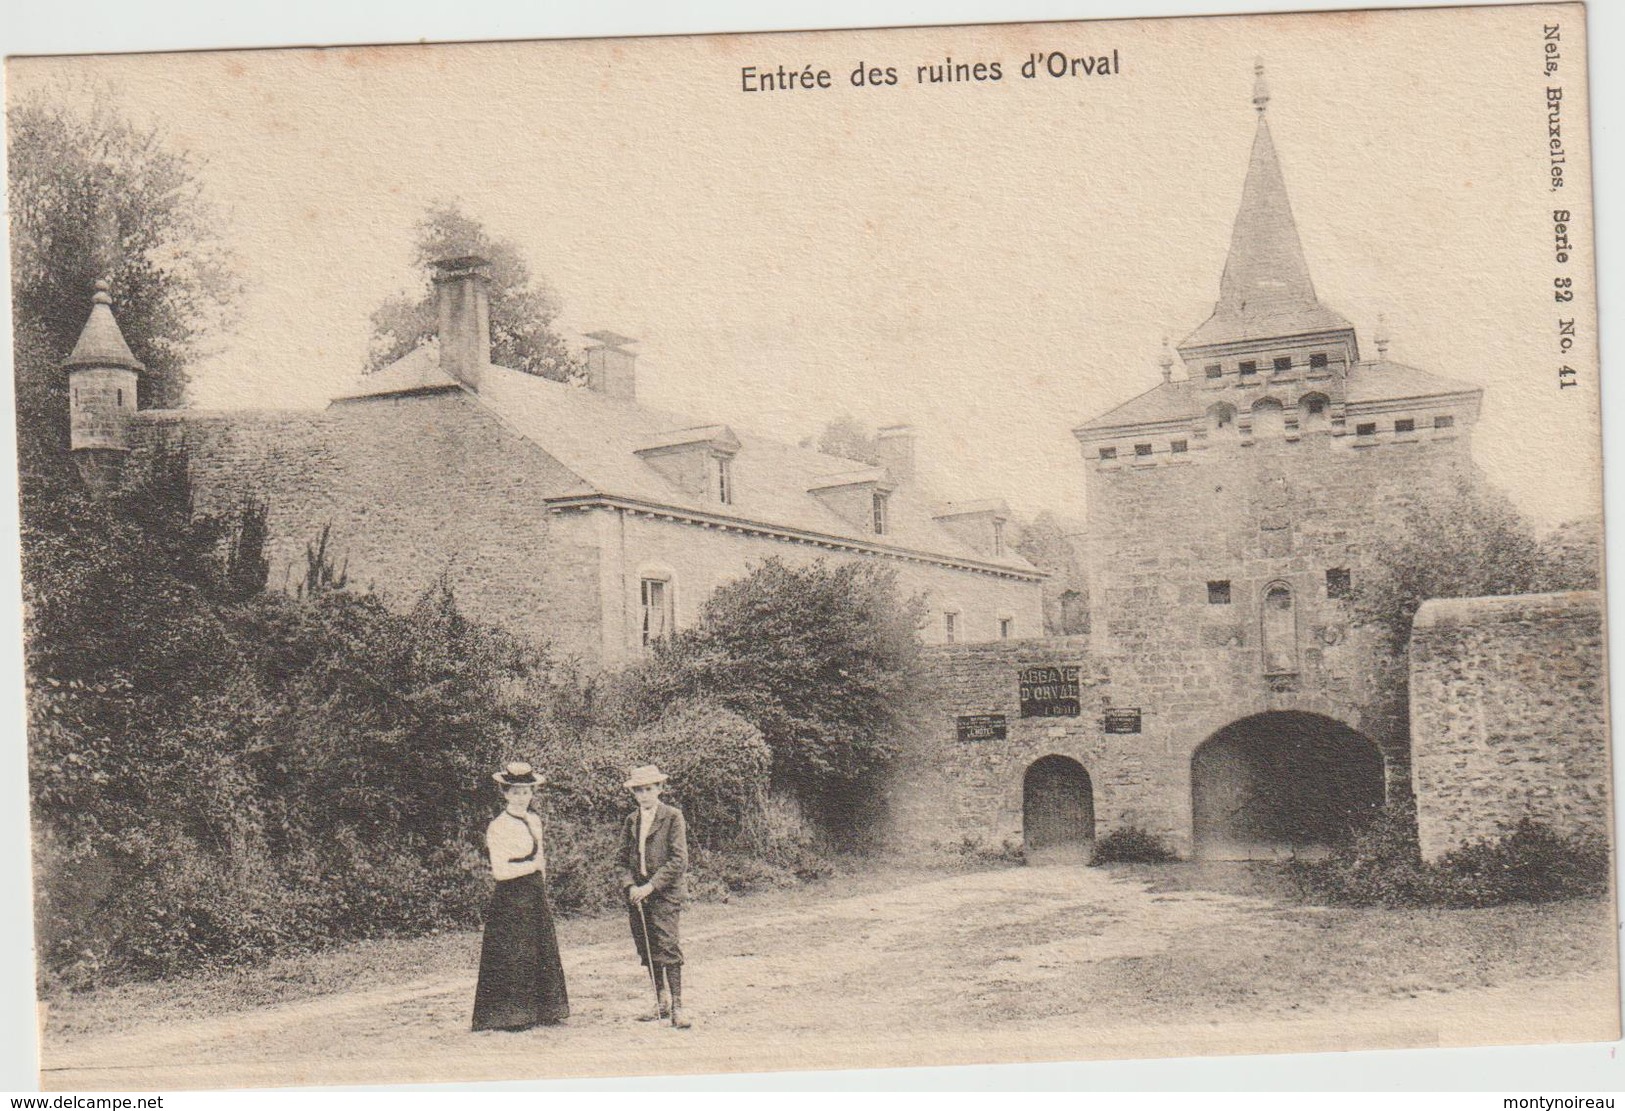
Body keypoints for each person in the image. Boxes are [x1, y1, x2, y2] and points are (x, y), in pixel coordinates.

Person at [472, 762, 570, 1032]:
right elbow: (501, 871)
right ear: (505, 793)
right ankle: (511, 1015)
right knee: (514, 952)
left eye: (526, 791)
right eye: (515, 792)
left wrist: (541, 881)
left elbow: (542, 858)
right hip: (510, 896)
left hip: (534, 894)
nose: (521, 797)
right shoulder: (498, 826)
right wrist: (532, 869)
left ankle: (545, 1009)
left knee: (539, 949)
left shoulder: (535, 820)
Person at [619, 764, 692, 1029]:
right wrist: (630, 888)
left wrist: (651, 886)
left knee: (668, 946)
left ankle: (678, 1006)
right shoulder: (631, 821)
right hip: (638, 896)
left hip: (665, 894)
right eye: (639, 790)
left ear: (660, 788)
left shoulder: (673, 817)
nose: (644, 795)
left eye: (649, 789)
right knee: (647, 947)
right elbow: (621, 862)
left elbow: (678, 860)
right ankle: (660, 1001)